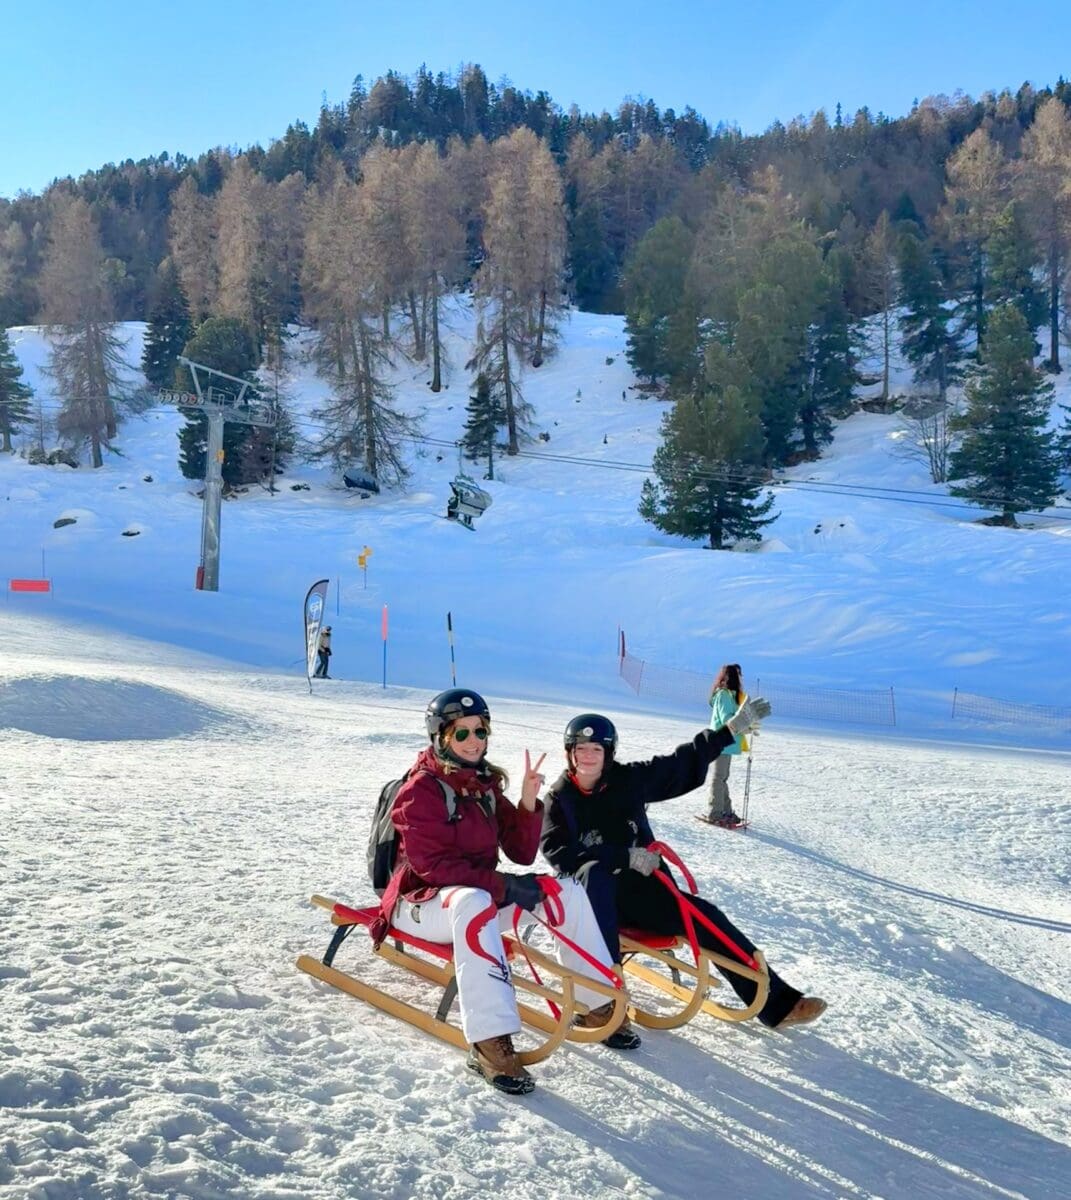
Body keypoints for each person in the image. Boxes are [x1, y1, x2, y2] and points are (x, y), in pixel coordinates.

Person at [370, 688, 638, 1097]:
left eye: (481, 730)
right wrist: (504, 886)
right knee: (474, 901)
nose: (474, 740)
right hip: (419, 904)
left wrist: (528, 800)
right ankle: (489, 1041)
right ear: (440, 736)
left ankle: (597, 1001)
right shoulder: (420, 790)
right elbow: (432, 867)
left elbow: (520, 850)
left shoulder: (482, 785)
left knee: (562, 890)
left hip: (470, 899)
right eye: (461, 734)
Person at [540, 709, 827, 1031]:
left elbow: (679, 765)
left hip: (640, 894)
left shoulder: (628, 781)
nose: (588, 756)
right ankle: (604, 1001)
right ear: (570, 753)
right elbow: (558, 853)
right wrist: (623, 857)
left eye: (596, 749)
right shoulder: (559, 798)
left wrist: (728, 731)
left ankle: (778, 1002)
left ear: (608, 754)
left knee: (706, 917)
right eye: (581, 749)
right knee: (595, 874)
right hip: (594, 905)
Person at [702, 663, 747, 827]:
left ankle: (725, 810)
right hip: (721, 741)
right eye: (739, 675)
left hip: (728, 742)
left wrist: (747, 722)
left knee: (722, 778)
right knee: (719, 777)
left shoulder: (732, 696)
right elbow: (726, 717)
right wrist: (741, 722)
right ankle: (715, 812)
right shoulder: (724, 695)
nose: (741, 678)